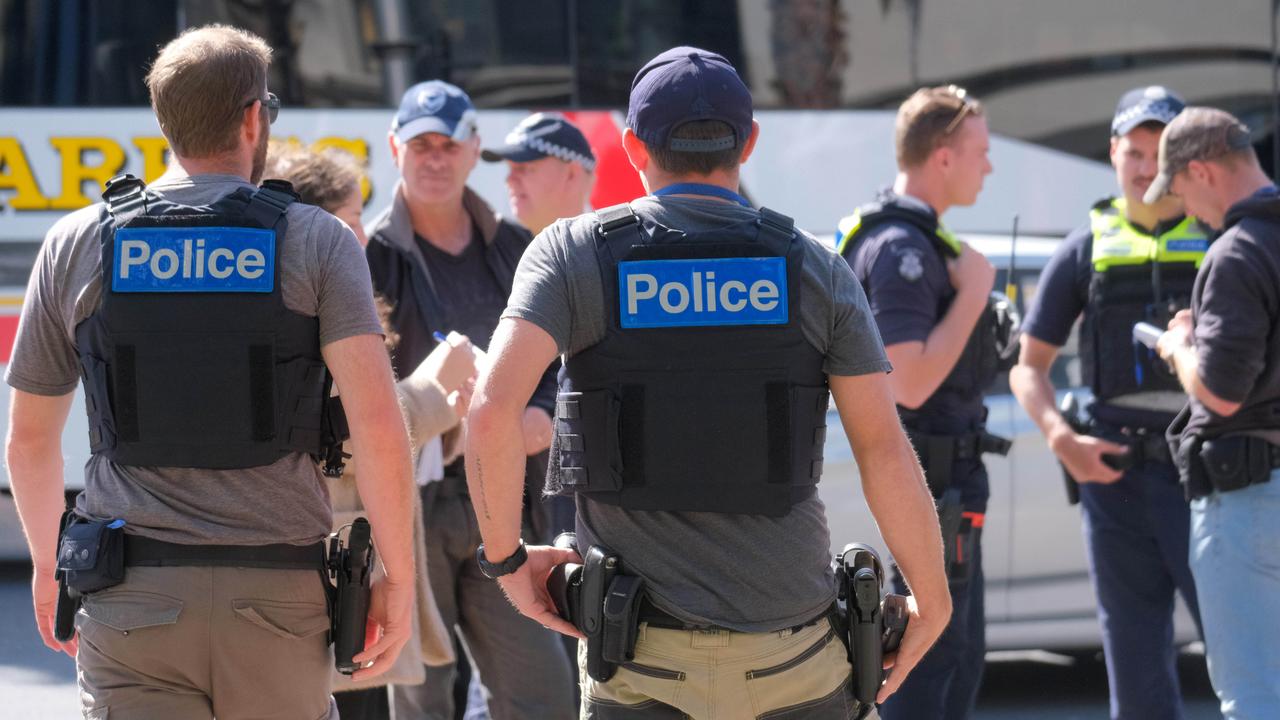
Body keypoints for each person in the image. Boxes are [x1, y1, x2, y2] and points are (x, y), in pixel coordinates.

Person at [465, 46, 951, 719]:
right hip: (795, 663)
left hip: (640, 665)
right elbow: (882, 448)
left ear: (634, 149)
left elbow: (490, 414)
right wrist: (932, 594)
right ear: (749, 143)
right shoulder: (815, 267)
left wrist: (507, 565)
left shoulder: (572, 254)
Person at [4, 25, 414, 719]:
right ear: (254, 117)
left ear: (165, 121)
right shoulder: (316, 240)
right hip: (277, 600)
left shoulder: (78, 240)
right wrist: (396, 577)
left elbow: (30, 440)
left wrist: (50, 565)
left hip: (129, 598)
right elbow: (377, 426)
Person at [363, 79, 574, 720]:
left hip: (504, 498)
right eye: (420, 143)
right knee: (422, 700)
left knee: (541, 693)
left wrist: (539, 417)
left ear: (473, 149)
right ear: (395, 148)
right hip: (408, 506)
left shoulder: (515, 247)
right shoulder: (366, 256)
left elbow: (558, 363)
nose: (434, 157)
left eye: (448, 144)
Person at [1008, 86, 1205, 720]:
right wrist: (1062, 440)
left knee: (1245, 657)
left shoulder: (1222, 239)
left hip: (1208, 475)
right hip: (1114, 481)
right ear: (1113, 155)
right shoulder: (1084, 247)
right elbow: (1028, 369)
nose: (1145, 167)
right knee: (1135, 674)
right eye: (1132, 153)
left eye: (1158, 152)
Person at [263, 143, 462, 720]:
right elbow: (342, 431)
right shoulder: (311, 298)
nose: (364, 237)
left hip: (339, 563)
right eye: (351, 222)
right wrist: (432, 396)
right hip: (335, 569)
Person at [834, 85, 1006, 720]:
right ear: (941, 156)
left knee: (954, 661)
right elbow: (906, 381)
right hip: (932, 484)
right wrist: (973, 295)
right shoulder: (903, 250)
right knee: (936, 664)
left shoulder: (910, 237)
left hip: (942, 483)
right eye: (980, 152)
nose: (988, 165)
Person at [1145, 106, 1280, 719]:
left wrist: (1180, 348)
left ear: (1200, 170)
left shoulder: (1236, 252)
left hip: (1249, 502)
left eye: (1177, 189)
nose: (1184, 208)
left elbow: (1222, 393)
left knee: (1252, 695)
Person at [481, 112, 596, 236]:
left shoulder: (611, 251)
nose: (509, 180)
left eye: (523, 168)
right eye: (510, 168)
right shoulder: (496, 249)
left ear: (571, 175)